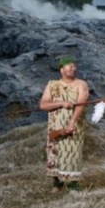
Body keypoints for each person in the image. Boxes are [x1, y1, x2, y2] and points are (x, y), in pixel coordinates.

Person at [39, 56, 90, 193]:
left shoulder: (81, 84)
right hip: (55, 124)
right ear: (62, 70)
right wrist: (61, 103)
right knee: (55, 153)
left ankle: (73, 183)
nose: (74, 68)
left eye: (74, 66)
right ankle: (57, 182)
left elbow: (81, 105)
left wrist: (72, 122)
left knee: (73, 152)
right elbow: (43, 105)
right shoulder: (52, 85)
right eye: (70, 66)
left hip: (75, 123)